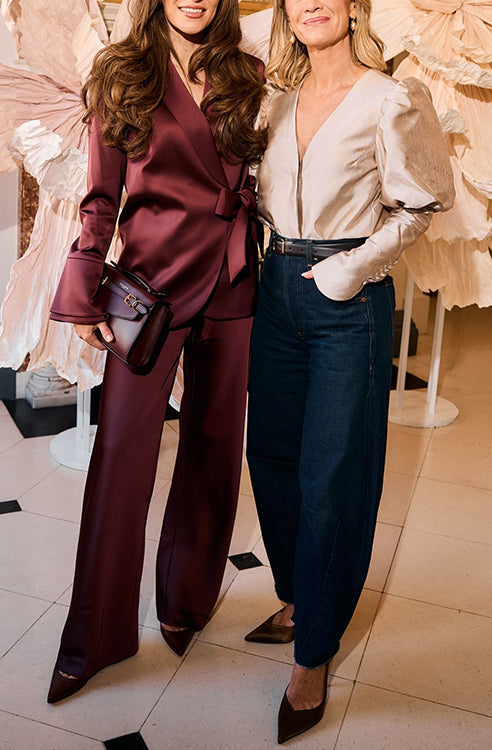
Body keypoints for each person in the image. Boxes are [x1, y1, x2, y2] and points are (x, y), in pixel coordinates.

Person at [244, 0, 454, 743]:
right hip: (275, 290)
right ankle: (299, 595)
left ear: (356, 8)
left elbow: (425, 201)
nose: (311, 4)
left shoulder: (391, 98)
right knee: (270, 455)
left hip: (348, 298)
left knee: (332, 475)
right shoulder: (274, 98)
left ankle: (314, 650)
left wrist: (350, 269)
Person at [47, 0, 266, 704]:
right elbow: (100, 198)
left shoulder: (249, 73)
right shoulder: (122, 73)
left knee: (214, 447)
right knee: (120, 454)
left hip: (232, 280)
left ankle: (185, 602)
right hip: (150, 291)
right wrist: (83, 285)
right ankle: (94, 638)